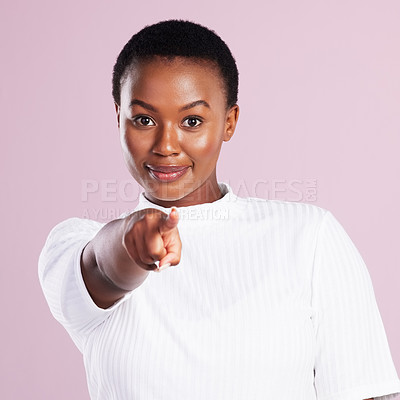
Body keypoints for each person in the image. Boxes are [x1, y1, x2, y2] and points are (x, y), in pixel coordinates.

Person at [38, 19, 400, 400]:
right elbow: (101, 269)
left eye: (191, 121)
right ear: (118, 118)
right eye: (144, 119)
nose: (166, 144)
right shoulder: (72, 244)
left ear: (229, 122)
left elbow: (366, 392)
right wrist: (132, 243)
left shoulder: (310, 237)